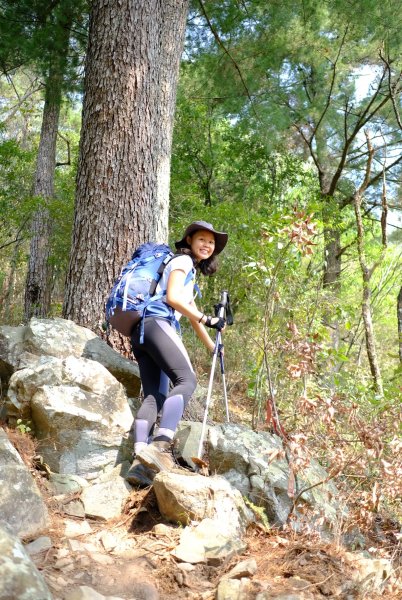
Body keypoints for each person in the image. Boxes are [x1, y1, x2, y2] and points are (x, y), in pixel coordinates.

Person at [126, 220, 228, 486]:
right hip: (157, 324)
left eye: (211, 243)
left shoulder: (187, 271)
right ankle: (160, 446)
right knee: (187, 380)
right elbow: (173, 299)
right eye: (202, 239)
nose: (207, 245)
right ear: (190, 240)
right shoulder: (181, 262)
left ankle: (140, 459)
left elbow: (190, 314)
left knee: (155, 395)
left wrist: (211, 345)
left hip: (142, 331)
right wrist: (208, 318)